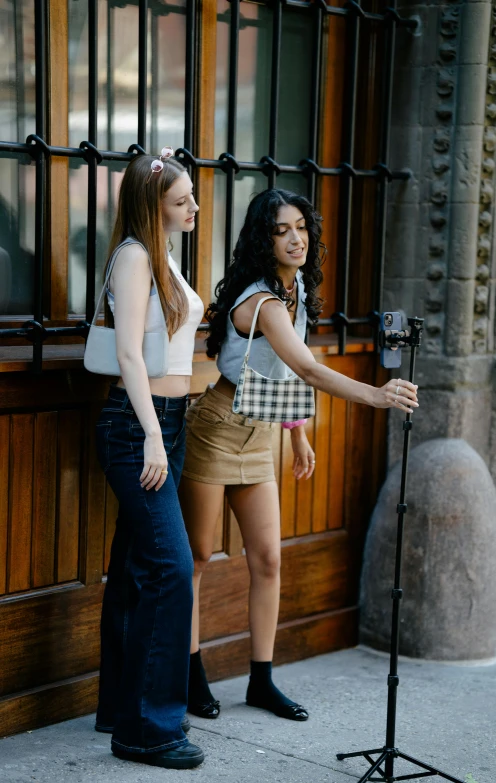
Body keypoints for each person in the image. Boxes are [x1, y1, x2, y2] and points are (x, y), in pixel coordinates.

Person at [179, 188, 419, 723]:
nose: (296, 239)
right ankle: (189, 674)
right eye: (282, 230)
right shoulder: (261, 300)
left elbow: (283, 376)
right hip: (217, 428)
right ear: (264, 241)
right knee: (196, 560)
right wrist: (378, 395)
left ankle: (261, 681)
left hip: (262, 431)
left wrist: (296, 432)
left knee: (268, 558)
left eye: (302, 228)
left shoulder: (298, 288)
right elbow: (307, 368)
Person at [92, 149, 205, 769]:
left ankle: (120, 707)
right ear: (152, 203)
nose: (193, 207)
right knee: (173, 568)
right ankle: (149, 730)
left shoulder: (160, 253)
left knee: (139, 567)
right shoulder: (135, 257)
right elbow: (132, 356)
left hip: (168, 422)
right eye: (181, 199)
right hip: (140, 427)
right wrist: (154, 437)